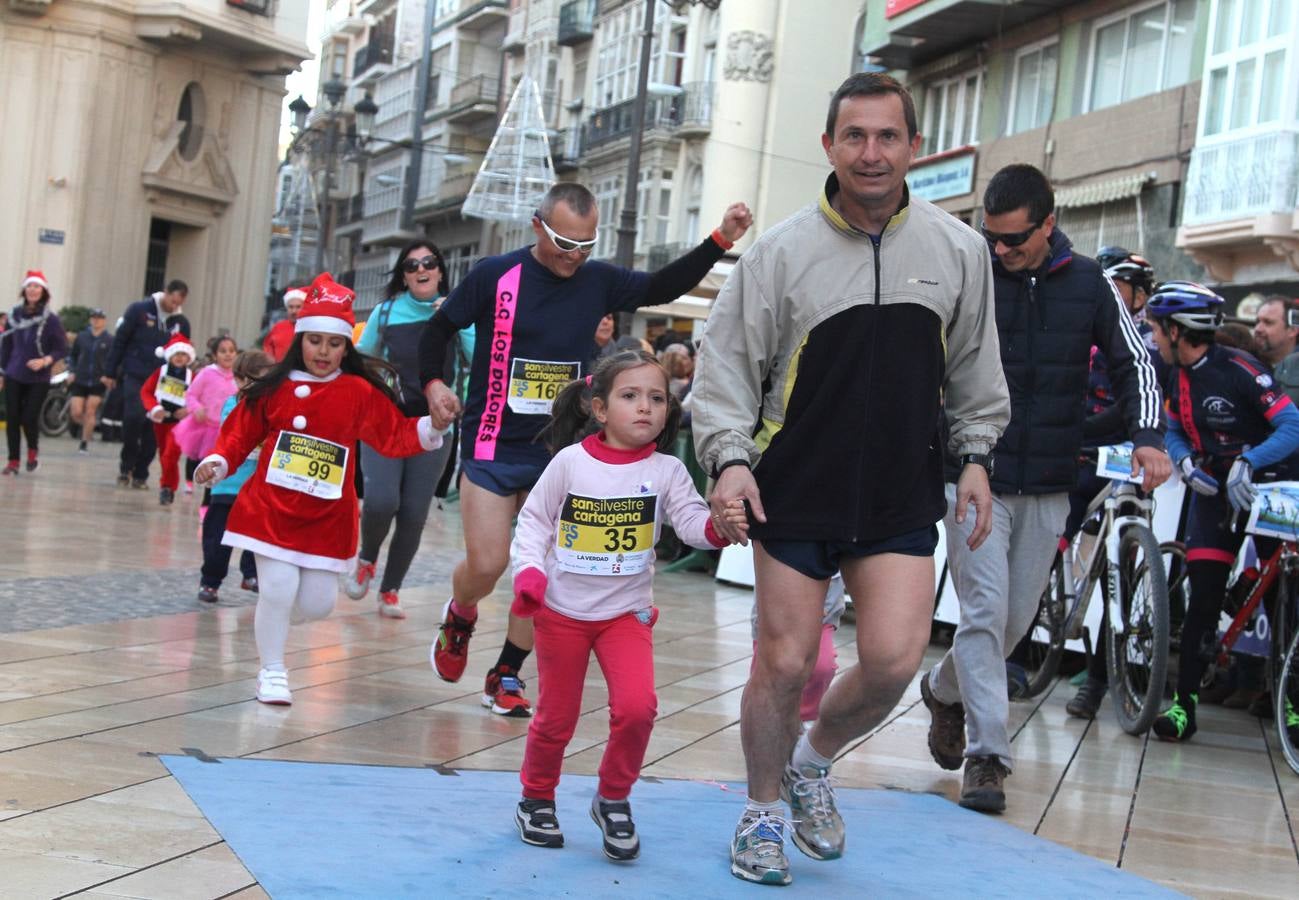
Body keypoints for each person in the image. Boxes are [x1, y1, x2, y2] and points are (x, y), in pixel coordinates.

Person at [691, 72, 1010, 886]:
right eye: (855, 137)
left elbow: (975, 371)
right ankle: (761, 812)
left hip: (900, 489)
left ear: (913, 147)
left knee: (896, 661)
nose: (871, 153)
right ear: (828, 145)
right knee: (786, 661)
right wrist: (728, 460)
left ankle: (811, 763)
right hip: (794, 486)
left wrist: (973, 458)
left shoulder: (958, 250)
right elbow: (724, 371)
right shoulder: (779, 252)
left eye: (887, 137)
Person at [417, 181, 752, 718]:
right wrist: (434, 385)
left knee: (542, 569)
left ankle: (505, 671)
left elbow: (661, 285)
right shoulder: (494, 275)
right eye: (564, 242)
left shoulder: (597, 281)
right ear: (537, 226)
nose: (575, 256)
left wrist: (720, 238)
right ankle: (460, 614)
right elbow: (437, 330)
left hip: (559, 451)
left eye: (586, 245)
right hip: (491, 441)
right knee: (488, 561)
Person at [919, 165, 1168, 815]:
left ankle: (944, 691)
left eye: (1013, 240)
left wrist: (1147, 434)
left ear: (1048, 224)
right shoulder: (971, 270)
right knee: (982, 612)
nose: (998, 251)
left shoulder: (1088, 282)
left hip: (1051, 479)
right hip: (974, 474)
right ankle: (987, 755)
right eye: (990, 237)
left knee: (1010, 622)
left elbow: (1133, 360)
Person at [508, 350, 745, 858]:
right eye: (631, 396)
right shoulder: (570, 463)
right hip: (562, 613)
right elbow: (533, 523)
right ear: (599, 409)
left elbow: (689, 524)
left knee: (638, 710)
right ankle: (536, 797)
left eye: (657, 399)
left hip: (625, 614)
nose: (646, 408)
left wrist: (719, 528)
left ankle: (613, 797)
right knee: (556, 717)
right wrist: (529, 573)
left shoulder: (667, 469)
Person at [194, 273, 443, 705]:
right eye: (314, 341)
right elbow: (238, 435)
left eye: (334, 343)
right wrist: (216, 462)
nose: (323, 352)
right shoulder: (274, 388)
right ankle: (271, 670)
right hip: (270, 509)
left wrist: (431, 426)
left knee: (316, 605)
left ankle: (271, 625)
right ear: (300, 340)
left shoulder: (358, 392)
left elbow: (392, 435)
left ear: (347, 346)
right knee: (275, 589)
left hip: (327, 519)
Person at [1144, 281, 1299, 741]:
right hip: (1213, 487)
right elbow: (1173, 427)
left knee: (1285, 600)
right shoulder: (1173, 372)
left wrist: (1251, 461)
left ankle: (1290, 706)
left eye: (1156, 329)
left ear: (1176, 330)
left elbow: (1292, 426)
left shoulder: (1241, 369)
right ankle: (1183, 707)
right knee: (1203, 598)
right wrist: (1185, 460)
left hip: (1267, 484)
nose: (1152, 338)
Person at [1061, 247, 1163, 719]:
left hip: (1123, 456)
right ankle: (1018, 658)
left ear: (1140, 295)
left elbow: (1139, 400)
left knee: (1119, 574)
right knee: (1048, 545)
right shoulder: (1082, 329)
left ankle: (1099, 682)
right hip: (1080, 452)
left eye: (1120, 288)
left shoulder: (1148, 341)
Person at [345, 240, 460, 620]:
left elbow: (478, 358)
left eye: (428, 262)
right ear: (404, 276)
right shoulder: (387, 311)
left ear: (440, 270)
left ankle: (390, 589)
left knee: (413, 512)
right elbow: (361, 357)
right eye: (411, 266)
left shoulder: (458, 313)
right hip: (385, 421)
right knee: (381, 501)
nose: (421, 269)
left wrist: (457, 319)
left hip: (434, 425)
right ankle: (367, 557)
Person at [197, 350, 270, 603]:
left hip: (258, 487)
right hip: (228, 485)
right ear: (238, 380)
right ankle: (210, 580)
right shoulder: (233, 404)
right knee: (217, 539)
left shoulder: (274, 405)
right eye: (250, 381)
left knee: (257, 536)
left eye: (263, 381)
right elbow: (233, 436)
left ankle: (251, 574)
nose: (256, 387)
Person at [103, 281, 190, 488]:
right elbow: (120, 340)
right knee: (133, 417)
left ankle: (141, 472)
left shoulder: (181, 322)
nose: (173, 305)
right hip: (136, 374)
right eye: (171, 300)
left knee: (154, 426)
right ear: (166, 294)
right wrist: (110, 371)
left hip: (165, 381)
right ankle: (127, 465)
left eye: (178, 302)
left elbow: (184, 354)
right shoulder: (139, 311)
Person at [0, 271, 68, 474]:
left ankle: (32, 450)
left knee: (29, 417)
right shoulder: (13, 315)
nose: (32, 290)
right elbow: (6, 346)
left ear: (43, 292)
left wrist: (45, 360)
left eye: (37, 287)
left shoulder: (51, 319)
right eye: (29, 286)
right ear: (24, 290)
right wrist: (1, 372)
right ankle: (13, 461)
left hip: (38, 377)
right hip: (13, 373)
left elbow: (61, 348)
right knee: (12, 417)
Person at [140, 334, 195, 506]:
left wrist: (188, 410)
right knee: (164, 455)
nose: (179, 357)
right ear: (169, 355)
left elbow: (199, 398)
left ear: (189, 357)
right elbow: (146, 391)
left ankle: (167, 487)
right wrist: (155, 408)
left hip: (180, 424)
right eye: (176, 354)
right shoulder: (160, 372)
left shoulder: (192, 376)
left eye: (183, 354)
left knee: (170, 454)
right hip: (161, 421)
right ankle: (167, 486)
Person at [67, 308, 113, 454]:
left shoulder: (109, 340)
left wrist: (109, 375)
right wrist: (72, 371)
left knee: (90, 410)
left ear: (104, 321)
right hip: (81, 378)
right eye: (94, 317)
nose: (96, 320)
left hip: (98, 380)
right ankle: (89, 426)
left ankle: (84, 442)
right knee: (76, 412)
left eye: (99, 318)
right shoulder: (82, 337)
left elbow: (114, 360)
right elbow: (73, 355)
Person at [1253, 295, 1299, 404]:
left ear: (1292, 330)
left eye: (1268, 322)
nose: (1258, 329)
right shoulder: (1247, 365)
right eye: (1257, 322)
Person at [264, 286, 307, 361]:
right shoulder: (278, 327)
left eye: (298, 307)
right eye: (291, 307)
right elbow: (268, 348)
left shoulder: (309, 328)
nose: (294, 311)